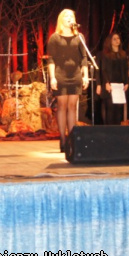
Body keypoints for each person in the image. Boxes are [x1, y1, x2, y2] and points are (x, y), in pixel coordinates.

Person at [47, 9, 89, 152]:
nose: (70, 18)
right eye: (67, 16)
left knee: (72, 106)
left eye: (72, 16)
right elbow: (51, 59)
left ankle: (72, 139)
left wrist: (85, 75)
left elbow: (84, 58)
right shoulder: (55, 37)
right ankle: (63, 139)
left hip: (75, 75)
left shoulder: (79, 37)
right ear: (61, 19)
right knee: (62, 106)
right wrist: (52, 78)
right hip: (60, 74)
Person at [101, 32, 129, 125]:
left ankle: (117, 129)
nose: (117, 40)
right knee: (110, 108)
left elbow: (126, 69)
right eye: (114, 39)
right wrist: (107, 83)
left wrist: (126, 82)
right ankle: (109, 129)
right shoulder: (106, 54)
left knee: (119, 109)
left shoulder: (123, 54)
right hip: (111, 84)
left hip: (120, 84)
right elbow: (104, 69)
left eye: (118, 38)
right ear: (110, 41)